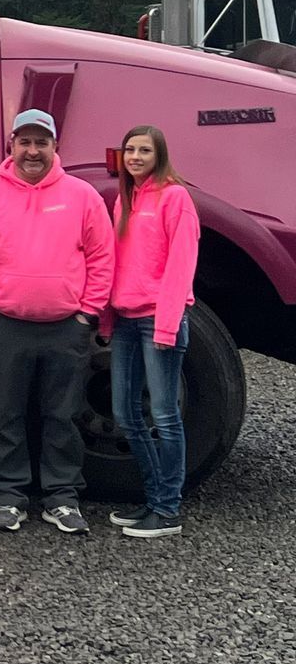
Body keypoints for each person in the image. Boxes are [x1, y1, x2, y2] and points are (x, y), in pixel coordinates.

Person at [0, 109, 114, 535]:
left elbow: (102, 257)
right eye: (24, 142)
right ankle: (9, 496)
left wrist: (87, 312)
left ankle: (61, 497)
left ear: (55, 147)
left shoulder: (82, 196)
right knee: (4, 414)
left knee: (62, 415)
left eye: (41, 142)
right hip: (5, 326)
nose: (32, 151)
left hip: (66, 327)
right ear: (11, 146)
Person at [104, 124, 200, 540]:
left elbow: (181, 265)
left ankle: (167, 508)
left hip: (158, 321)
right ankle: (153, 499)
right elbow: (115, 263)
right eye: (130, 150)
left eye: (145, 150)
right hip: (126, 320)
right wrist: (107, 319)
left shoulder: (176, 198)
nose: (136, 157)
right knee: (126, 414)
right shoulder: (123, 200)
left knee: (164, 415)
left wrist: (166, 323)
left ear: (160, 155)